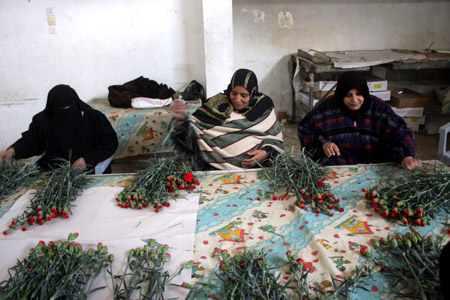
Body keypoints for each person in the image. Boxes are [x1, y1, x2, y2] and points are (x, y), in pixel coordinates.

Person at [297, 71, 422, 170]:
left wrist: (406, 156)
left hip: (375, 164)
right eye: (348, 95)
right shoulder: (326, 110)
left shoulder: (378, 109)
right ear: (341, 95)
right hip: (337, 166)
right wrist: (323, 143)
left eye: (359, 94)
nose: (354, 100)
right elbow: (305, 130)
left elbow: (401, 133)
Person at [170, 68, 284, 170]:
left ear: (253, 93)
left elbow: (275, 139)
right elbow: (194, 128)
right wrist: (182, 121)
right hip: (215, 169)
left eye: (244, 95)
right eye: (234, 93)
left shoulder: (263, 107)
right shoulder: (216, 104)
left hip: (256, 170)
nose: (237, 99)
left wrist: (265, 153)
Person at [0, 84, 119, 173]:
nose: (65, 111)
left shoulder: (92, 118)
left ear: (76, 104)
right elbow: (32, 141)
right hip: (54, 173)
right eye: (60, 109)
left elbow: (109, 143)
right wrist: (13, 150)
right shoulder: (43, 121)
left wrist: (88, 159)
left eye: (69, 107)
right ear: (51, 107)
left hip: (88, 172)